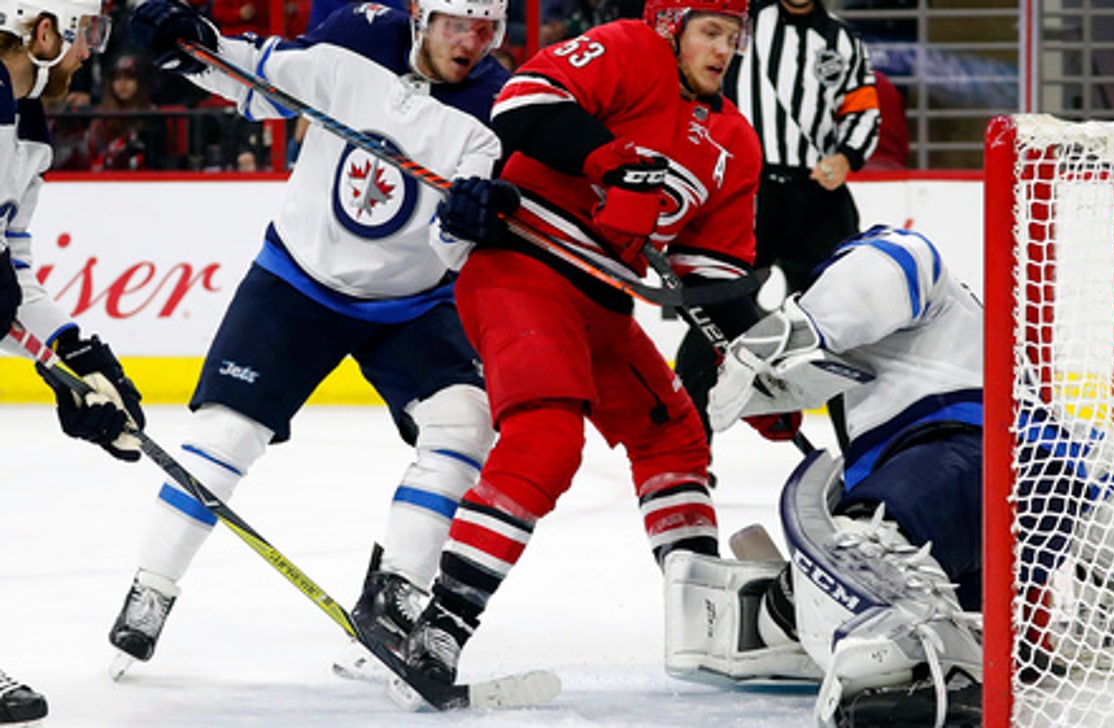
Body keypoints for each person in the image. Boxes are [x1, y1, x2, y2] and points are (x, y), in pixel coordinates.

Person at [105, 0, 509, 680]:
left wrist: (470, 222)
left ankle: (396, 596)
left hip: (409, 305)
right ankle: (152, 586)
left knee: (463, 425)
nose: (469, 41)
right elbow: (251, 77)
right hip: (296, 282)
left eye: (485, 29)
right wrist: (184, 42)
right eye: (453, 23)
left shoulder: (493, 108)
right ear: (420, 18)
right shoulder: (354, 40)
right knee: (225, 439)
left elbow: (450, 251)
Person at [390, 0, 765, 697]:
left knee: (677, 437)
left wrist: (757, 364)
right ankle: (440, 626)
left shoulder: (735, 141)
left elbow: (711, 277)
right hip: (521, 268)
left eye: (733, 37)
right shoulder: (628, 49)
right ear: (670, 26)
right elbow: (524, 102)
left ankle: (703, 620)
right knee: (545, 441)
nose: (723, 50)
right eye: (711, 32)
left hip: (603, 303)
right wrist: (611, 161)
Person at [665, 225, 984, 725]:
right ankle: (793, 620)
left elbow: (895, 260)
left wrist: (779, 337)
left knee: (862, 539)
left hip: (963, 458)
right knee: (850, 573)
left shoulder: (900, 263)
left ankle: (911, 678)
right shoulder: (963, 343)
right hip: (1000, 532)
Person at [1, 0, 148, 721]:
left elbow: (12, 267)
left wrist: (73, 351)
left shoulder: (26, 121)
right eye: (85, 28)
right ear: (42, 28)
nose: (94, 47)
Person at [673, 0, 879, 440]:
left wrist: (846, 156)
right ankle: (688, 445)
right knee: (714, 311)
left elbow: (863, 111)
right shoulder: (743, 27)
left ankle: (858, 450)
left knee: (844, 325)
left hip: (817, 200)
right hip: (748, 192)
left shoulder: (843, 40)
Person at [86, 53, 166, 169]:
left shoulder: (151, 114)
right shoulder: (102, 115)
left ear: (139, 82)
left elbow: (158, 157)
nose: (123, 84)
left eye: (129, 78)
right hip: (107, 177)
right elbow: (95, 157)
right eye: (117, 78)